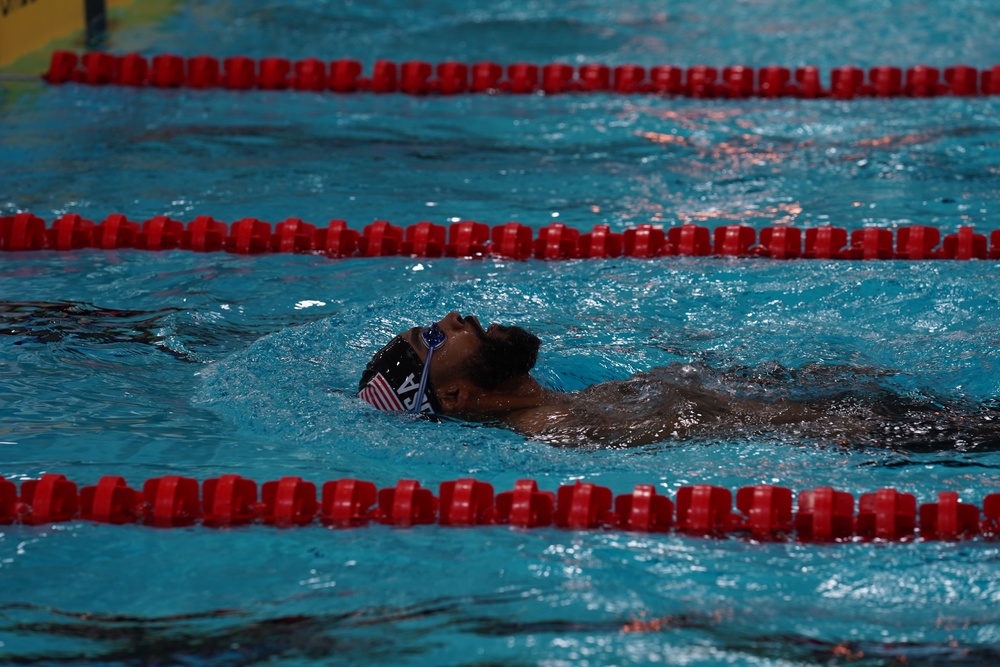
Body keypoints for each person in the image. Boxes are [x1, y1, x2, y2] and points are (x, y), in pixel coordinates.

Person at [358, 312, 1000, 450]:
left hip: (854, 411)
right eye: (434, 339)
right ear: (456, 397)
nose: (452, 319)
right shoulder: (570, 432)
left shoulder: (570, 405)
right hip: (871, 432)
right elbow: (730, 430)